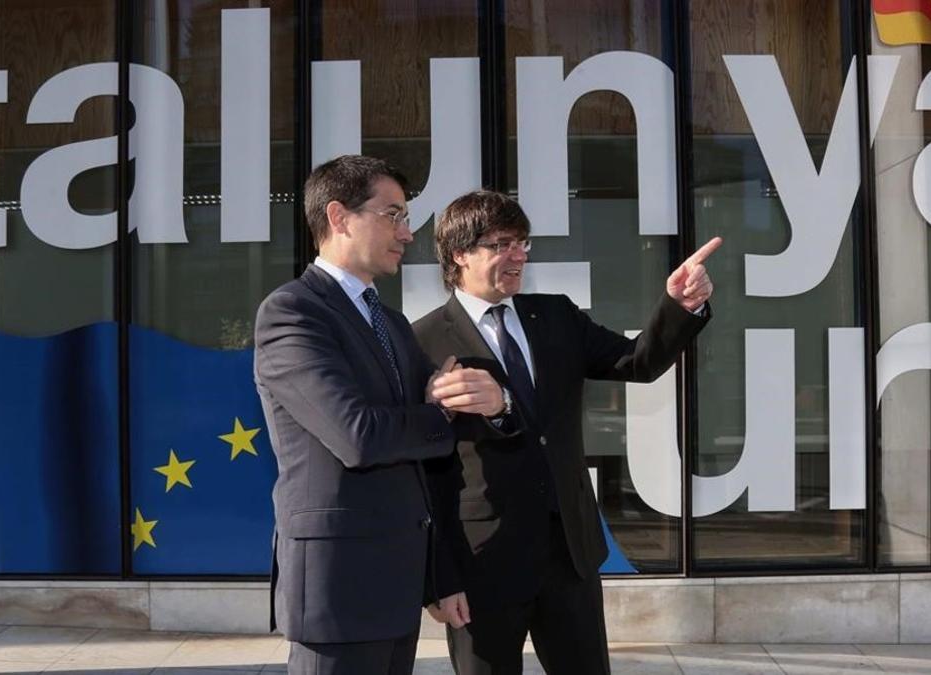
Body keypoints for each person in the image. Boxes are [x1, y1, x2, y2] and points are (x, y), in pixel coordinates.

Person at [413, 190, 720, 674]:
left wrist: (679, 306)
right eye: (501, 244)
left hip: (568, 557)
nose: (518, 255)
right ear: (459, 253)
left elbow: (637, 361)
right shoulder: (421, 342)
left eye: (522, 243)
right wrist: (438, 578)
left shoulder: (555, 315)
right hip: (482, 565)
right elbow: (423, 476)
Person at [253, 156, 510, 675]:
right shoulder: (292, 312)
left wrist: (441, 576)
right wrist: (436, 413)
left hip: (397, 586)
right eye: (393, 215)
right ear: (339, 216)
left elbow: (424, 461)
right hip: (339, 591)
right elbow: (359, 436)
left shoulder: (389, 323)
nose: (408, 233)